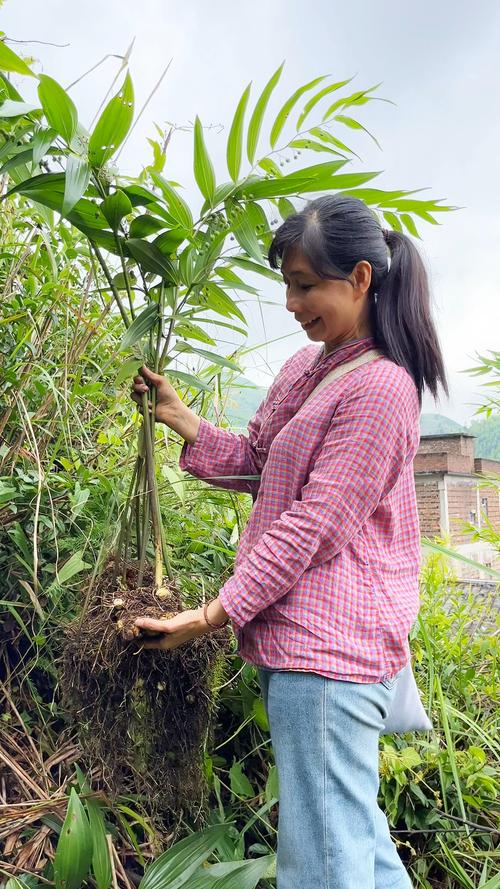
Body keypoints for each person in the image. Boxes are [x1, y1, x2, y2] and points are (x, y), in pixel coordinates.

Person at [131, 195, 447, 889]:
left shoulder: (382, 388)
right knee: (356, 842)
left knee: (324, 863)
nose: (291, 301)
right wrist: (183, 419)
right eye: (287, 284)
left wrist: (210, 615)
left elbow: (314, 524)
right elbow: (260, 462)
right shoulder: (312, 369)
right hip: (307, 650)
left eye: (306, 285)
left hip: (330, 657)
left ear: (359, 278)